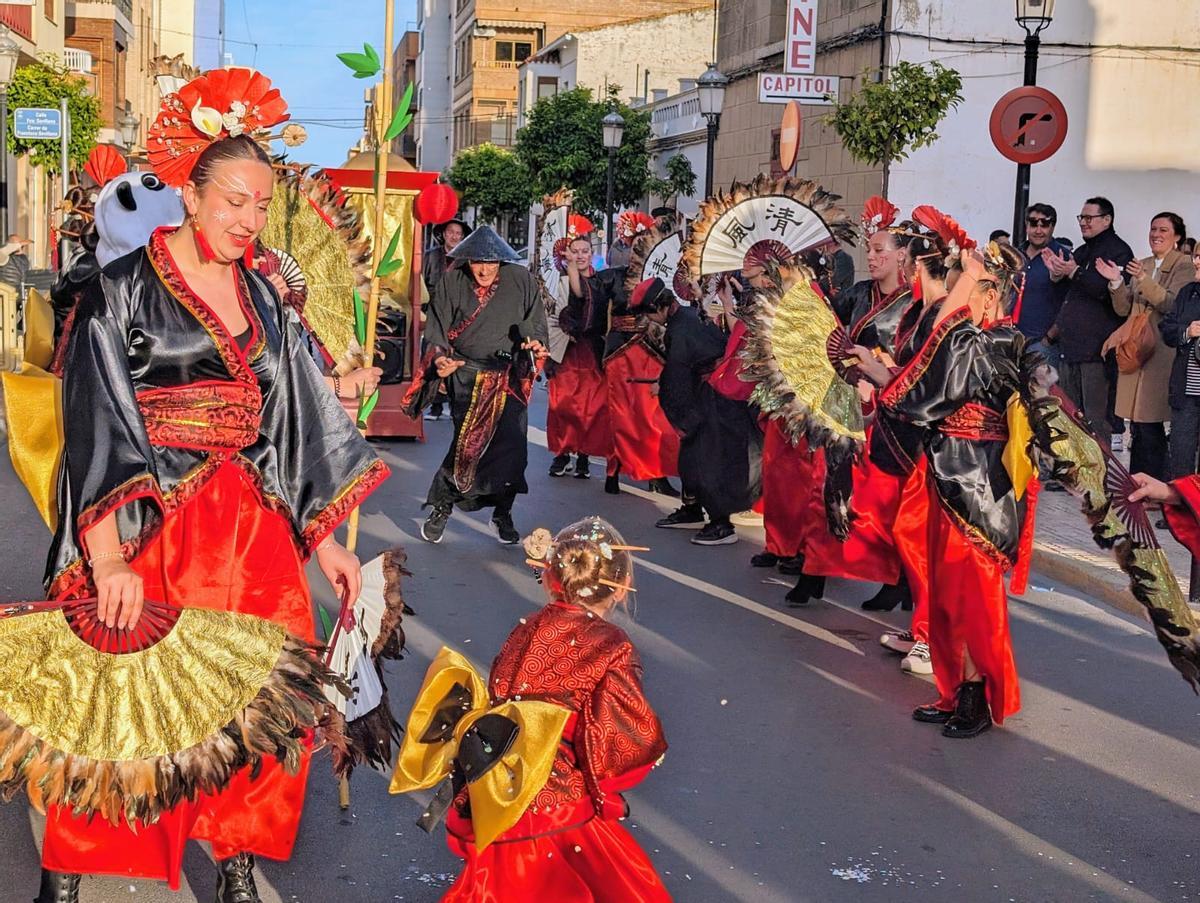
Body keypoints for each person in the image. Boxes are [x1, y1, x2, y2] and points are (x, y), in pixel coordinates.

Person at [36, 70, 390, 903]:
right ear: (190, 197)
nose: (248, 219)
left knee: (256, 707)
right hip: (153, 527)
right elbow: (98, 423)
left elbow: (295, 413)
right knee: (124, 708)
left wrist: (325, 544)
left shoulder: (266, 293)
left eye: (262, 205)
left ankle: (235, 858)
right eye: (234, 200)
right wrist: (107, 558)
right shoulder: (119, 292)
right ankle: (71, 870)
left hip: (256, 537)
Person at [391, 516, 669, 902]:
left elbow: (504, 694)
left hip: (503, 788)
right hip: (560, 802)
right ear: (620, 588)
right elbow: (614, 738)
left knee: (504, 886)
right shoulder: (611, 645)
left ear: (550, 578)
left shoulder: (526, 627)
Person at [860, 240, 1034, 738]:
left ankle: (977, 694)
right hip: (949, 470)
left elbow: (926, 391)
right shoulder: (977, 338)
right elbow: (926, 383)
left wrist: (883, 378)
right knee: (944, 593)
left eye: (966, 280)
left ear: (989, 292)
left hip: (978, 484)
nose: (956, 288)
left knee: (973, 594)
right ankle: (955, 686)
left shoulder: (993, 342)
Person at [419, 225, 549, 545]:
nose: (486, 268)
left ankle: (502, 513)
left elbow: (535, 323)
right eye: (479, 261)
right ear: (467, 260)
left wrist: (535, 343)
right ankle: (442, 507)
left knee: (513, 451)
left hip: (509, 377)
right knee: (467, 447)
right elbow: (436, 330)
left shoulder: (520, 280)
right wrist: (439, 359)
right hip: (468, 376)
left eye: (493, 262)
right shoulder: (453, 281)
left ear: (502, 262)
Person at [638, 277, 759, 545]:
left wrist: (678, 410)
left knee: (709, 462)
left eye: (649, 313)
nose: (650, 320)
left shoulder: (679, 330)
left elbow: (678, 375)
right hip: (713, 392)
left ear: (660, 308)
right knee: (693, 458)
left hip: (712, 398)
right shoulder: (690, 316)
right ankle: (693, 509)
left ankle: (721, 524)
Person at [1098, 212, 1192, 480]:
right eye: (1153, 229)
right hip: (1136, 352)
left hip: (1161, 353)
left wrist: (1142, 279)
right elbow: (1123, 307)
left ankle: (1155, 483)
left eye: (1163, 230)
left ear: (1176, 236)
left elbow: (1172, 304)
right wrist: (1115, 281)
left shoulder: (1183, 265)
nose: (1156, 234)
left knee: (1152, 424)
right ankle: (1136, 482)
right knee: (1137, 425)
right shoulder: (1144, 263)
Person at [1045, 196, 1134, 446]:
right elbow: (1070, 293)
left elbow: (1106, 292)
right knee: (1070, 416)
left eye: (1089, 218)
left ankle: (1099, 478)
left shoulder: (1118, 250)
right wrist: (1057, 273)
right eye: (1081, 218)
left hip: (1096, 351)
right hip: (1070, 348)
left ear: (1107, 220)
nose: (1083, 223)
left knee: (1095, 419)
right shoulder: (1083, 251)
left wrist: (1074, 272)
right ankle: (1076, 477)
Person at [547, 227, 610, 479]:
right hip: (566, 351)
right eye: (575, 251)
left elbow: (586, 298)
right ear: (567, 254)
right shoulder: (557, 282)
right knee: (562, 404)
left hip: (592, 350)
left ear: (592, 253)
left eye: (585, 251)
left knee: (591, 406)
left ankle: (583, 454)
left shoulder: (602, 281)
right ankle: (562, 453)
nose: (580, 255)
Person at [421, 218, 469, 421]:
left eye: (458, 233)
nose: (454, 236)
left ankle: (454, 401)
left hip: (459, 313)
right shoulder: (431, 256)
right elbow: (422, 283)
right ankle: (435, 404)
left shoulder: (466, 259)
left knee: (457, 356)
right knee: (433, 353)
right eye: (451, 232)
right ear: (444, 234)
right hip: (434, 310)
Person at [1158, 247, 1200, 478]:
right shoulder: (1187, 293)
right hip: (1186, 392)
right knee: (1181, 455)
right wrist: (1188, 331)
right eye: (1196, 256)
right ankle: (1180, 511)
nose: (1196, 262)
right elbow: (1167, 328)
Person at [1015, 203, 1068, 373]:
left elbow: (1071, 302)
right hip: (1012, 342)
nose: (1038, 230)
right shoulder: (1015, 255)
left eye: (1044, 224)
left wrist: (1049, 338)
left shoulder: (1062, 257)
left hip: (1043, 345)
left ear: (1053, 227)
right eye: (1033, 223)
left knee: (1044, 398)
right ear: (1026, 225)